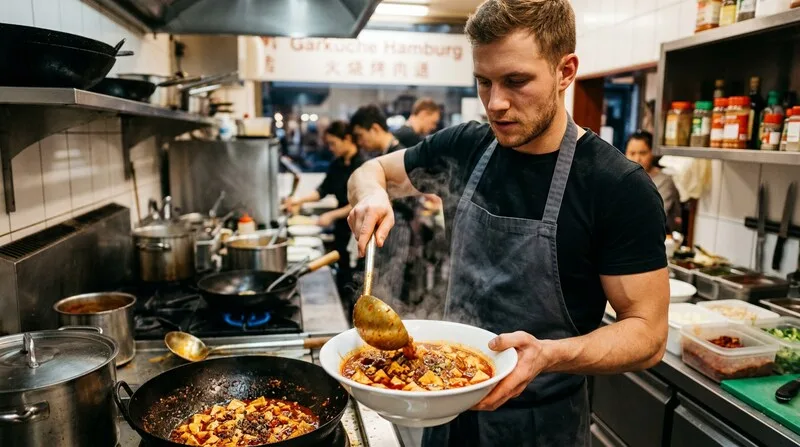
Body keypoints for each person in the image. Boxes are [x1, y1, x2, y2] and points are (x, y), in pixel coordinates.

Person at [346, 1, 669, 446]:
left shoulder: (616, 186)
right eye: (484, 81)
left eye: (516, 81)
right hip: (446, 406)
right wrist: (372, 194)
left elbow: (649, 334)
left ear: (565, 71)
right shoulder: (465, 146)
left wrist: (550, 355)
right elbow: (370, 171)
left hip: (542, 426)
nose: (496, 103)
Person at [283, 121, 365, 308]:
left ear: (348, 139)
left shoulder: (363, 165)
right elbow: (323, 190)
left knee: (356, 281)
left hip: (359, 231)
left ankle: (355, 316)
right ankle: (344, 310)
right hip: (341, 230)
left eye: (333, 143)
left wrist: (332, 215)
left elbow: (361, 202)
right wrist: (297, 201)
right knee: (342, 276)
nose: (330, 148)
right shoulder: (337, 164)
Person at [349, 104, 417, 310]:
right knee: (378, 285)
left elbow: (411, 198)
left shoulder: (400, 153)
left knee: (388, 289)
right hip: (386, 230)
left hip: (397, 229)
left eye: (361, 136)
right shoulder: (382, 156)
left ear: (376, 129)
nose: (360, 143)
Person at [625, 130, 682, 232]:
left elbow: (654, 216)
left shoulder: (665, 181)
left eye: (643, 153)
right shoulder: (624, 178)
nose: (637, 159)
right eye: (632, 153)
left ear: (652, 153)